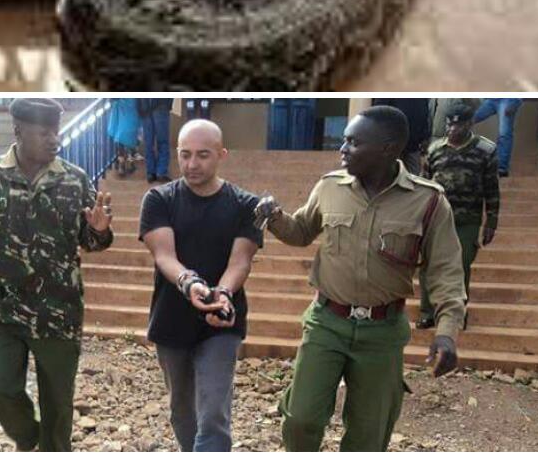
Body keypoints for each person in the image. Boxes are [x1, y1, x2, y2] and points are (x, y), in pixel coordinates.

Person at [254, 105, 466, 452]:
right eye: (344, 140)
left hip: (382, 333)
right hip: (326, 323)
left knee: (369, 435)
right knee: (301, 419)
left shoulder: (428, 202)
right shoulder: (330, 187)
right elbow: (301, 232)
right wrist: (275, 216)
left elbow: (446, 272)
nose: (342, 148)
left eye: (353, 142)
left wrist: (446, 334)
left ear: (388, 148)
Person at [0, 98, 114, 452]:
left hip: (58, 311)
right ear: (19, 131)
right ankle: (28, 438)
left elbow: (92, 242)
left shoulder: (75, 179)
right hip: (4, 308)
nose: (55, 140)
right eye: (44, 132)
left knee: (58, 405)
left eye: (56, 131)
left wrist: (99, 229)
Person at [139, 119, 262, 452]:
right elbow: (164, 255)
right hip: (171, 317)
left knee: (212, 415)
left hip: (222, 320)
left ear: (222, 154)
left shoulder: (245, 204)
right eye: (185, 154)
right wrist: (189, 282)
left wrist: (221, 294)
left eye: (203, 155)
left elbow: (241, 261)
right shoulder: (158, 200)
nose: (192, 164)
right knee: (182, 411)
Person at [418, 101, 499, 331]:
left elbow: (491, 187)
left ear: (470, 124)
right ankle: (427, 312)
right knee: (428, 265)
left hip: (467, 220)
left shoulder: (485, 150)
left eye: (459, 124)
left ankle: (455, 314)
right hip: (435, 219)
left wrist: (491, 221)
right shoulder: (435, 150)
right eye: (449, 124)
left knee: (460, 266)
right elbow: (424, 186)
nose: (453, 129)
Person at [372, 98, 432, 175]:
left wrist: (424, 136)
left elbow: (424, 113)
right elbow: (378, 113)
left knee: (414, 178)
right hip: (392, 144)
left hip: (413, 144)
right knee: (391, 175)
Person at [472, 98, 523, 177]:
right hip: (490, 98)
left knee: (504, 133)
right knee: (466, 119)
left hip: (508, 99)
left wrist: (517, 101)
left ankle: (502, 169)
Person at [137, 98, 173, 183]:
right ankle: (161, 172)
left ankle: (151, 173)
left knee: (149, 143)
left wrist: (139, 108)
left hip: (145, 107)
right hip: (160, 106)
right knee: (163, 142)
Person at [107, 98, 140, 177]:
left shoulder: (118, 103)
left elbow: (113, 119)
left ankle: (121, 167)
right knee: (132, 146)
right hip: (132, 128)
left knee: (120, 148)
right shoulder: (136, 101)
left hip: (121, 131)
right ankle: (132, 164)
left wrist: (112, 131)